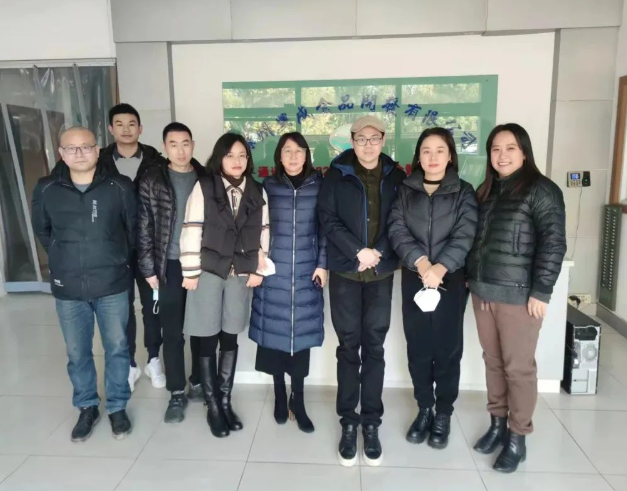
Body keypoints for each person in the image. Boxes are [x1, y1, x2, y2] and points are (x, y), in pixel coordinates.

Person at [467, 123, 566, 473]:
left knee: (519, 368)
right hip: (483, 292)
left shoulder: (542, 190)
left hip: (520, 297)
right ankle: (497, 424)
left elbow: (553, 243)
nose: (502, 155)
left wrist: (542, 291)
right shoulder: (486, 191)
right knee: (493, 362)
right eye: (495, 149)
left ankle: (517, 436)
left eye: (510, 148)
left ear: (524, 152)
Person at [32, 127, 136, 442]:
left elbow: (132, 229)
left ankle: (117, 406)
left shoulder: (119, 186)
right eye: (71, 148)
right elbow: (43, 231)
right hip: (69, 287)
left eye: (86, 147)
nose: (79, 153)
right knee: (77, 352)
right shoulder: (47, 188)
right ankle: (87, 406)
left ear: (97, 149)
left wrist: (116, 258)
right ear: (61, 153)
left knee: (117, 348)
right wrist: (64, 257)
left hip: (112, 283)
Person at [318, 115, 405, 467]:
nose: (368, 145)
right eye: (361, 139)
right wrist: (358, 251)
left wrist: (377, 252)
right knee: (347, 348)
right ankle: (348, 422)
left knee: (375, 348)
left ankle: (371, 423)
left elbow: (400, 219)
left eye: (374, 138)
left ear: (383, 140)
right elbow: (327, 219)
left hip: (381, 273)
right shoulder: (336, 174)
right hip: (346, 272)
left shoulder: (396, 176)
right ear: (351, 141)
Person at [388, 127, 478, 449]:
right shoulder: (406, 189)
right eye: (426, 150)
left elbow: (466, 234)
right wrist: (422, 263)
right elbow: (396, 228)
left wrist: (440, 267)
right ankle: (424, 407)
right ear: (418, 156)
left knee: (447, 349)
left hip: (449, 280)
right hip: (415, 277)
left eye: (440, 150)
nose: (433, 157)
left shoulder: (463, 191)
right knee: (418, 347)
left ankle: (443, 413)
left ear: (450, 155)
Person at [180, 132, 269, 438]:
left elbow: (264, 232)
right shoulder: (205, 186)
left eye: (242, 155)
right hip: (207, 271)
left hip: (241, 273)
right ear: (219, 158)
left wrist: (259, 268)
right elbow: (192, 228)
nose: (237, 161)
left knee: (230, 336)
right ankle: (213, 405)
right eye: (230, 155)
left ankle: (226, 401)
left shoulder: (257, 190)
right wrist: (190, 271)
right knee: (206, 336)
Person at [249, 132, 327, 434]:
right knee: (275, 336)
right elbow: (253, 226)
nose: (293, 157)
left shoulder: (319, 186)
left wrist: (323, 264)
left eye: (299, 151)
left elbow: (325, 230)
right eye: (287, 151)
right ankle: (280, 394)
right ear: (278, 156)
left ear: (307, 155)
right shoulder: (267, 187)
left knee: (301, 339)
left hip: (307, 272)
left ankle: (299, 399)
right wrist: (257, 256)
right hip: (273, 272)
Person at [137, 122, 206, 423]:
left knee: (202, 329)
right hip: (169, 266)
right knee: (173, 331)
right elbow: (143, 227)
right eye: (173, 144)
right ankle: (176, 391)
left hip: (202, 265)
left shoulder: (206, 177)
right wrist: (149, 269)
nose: (180, 150)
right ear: (164, 147)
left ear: (193, 145)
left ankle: (199, 382)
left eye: (185, 143)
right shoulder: (152, 180)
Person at [104, 103, 168, 391]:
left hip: (148, 248)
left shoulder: (156, 161)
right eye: (119, 124)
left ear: (140, 128)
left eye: (131, 124)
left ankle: (154, 359)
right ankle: (129, 363)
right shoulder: (99, 161)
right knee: (122, 308)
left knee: (152, 306)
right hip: (113, 250)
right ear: (111, 128)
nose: (126, 129)